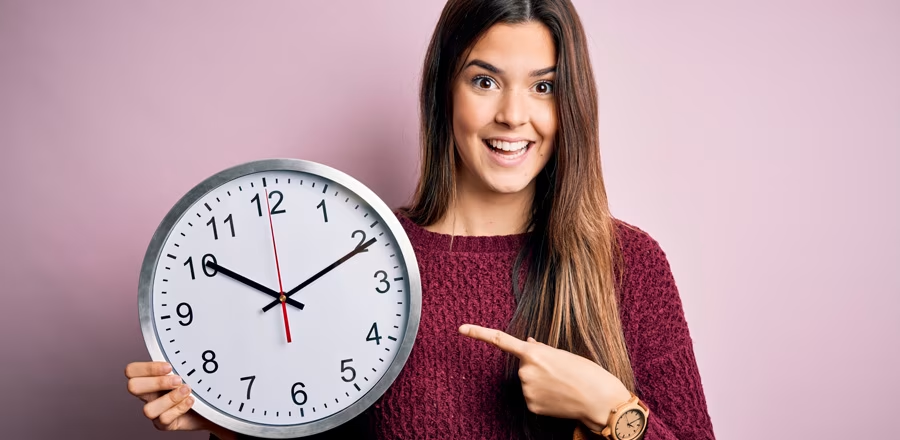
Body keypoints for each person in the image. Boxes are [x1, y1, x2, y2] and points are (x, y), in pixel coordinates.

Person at [125, 0, 716, 438]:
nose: (514, 115)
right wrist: (234, 425)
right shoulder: (360, 261)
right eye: (484, 81)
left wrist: (609, 408)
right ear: (443, 93)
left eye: (544, 87)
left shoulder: (628, 263)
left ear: (572, 105)